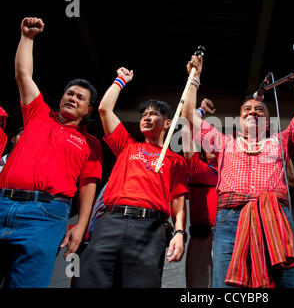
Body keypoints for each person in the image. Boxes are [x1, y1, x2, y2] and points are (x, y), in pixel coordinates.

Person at [182, 39, 294, 288]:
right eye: (246, 109)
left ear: (268, 123)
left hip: (276, 217)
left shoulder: (281, 140)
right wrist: (194, 78)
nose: (252, 112)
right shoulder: (223, 141)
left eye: (259, 110)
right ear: (238, 121)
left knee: (286, 283)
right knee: (228, 287)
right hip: (230, 218)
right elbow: (188, 118)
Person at [0, 17, 103, 288]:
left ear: (88, 111)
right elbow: (23, 74)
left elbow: (88, 185)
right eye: (70, 93)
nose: (72, 98)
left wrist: (81, 225)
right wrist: (27, 37)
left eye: (80, 98)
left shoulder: (90, 143)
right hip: (2, 204)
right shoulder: (38, 113)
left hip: (45, 216)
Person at [73, 67, 188, 288]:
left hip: (151, 227)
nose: (146, 117)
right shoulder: (126, 146)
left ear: (167, 124)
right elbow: (105, 110)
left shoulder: (175, 160)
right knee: (89, 281)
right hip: (111, 221)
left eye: (153, 114)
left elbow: (178, 201)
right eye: (144, 114)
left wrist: (180, 232)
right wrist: (120, 80)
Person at [182, 98, 219, 288]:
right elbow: (186, 126)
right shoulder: (196, 165)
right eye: (208, 145)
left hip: (227, 236)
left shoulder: (231, 168)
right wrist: (201, 111)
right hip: (201, 236)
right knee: (198, 287)